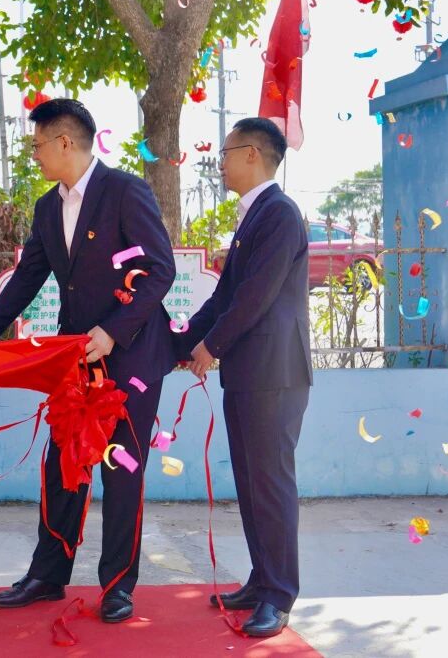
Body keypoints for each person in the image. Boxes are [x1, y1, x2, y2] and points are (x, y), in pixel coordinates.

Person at [0, 99, 176, 623]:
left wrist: (113, 332)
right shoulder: (47, 207)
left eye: (37, 144)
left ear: (64, 142)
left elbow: (160, 270)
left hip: (130, 356)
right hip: (76, 358)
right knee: (62, 464)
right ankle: (47, 575)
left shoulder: (124, 191)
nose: (33, 154)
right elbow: (27, 279)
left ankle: (118, 586)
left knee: (120, 468)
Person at [174, 117, 311, 638]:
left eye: (226, 153)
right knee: (252, 484)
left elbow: (256, 296)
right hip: (249, 372)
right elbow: (224, 297)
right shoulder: (254, 216)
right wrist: (178, 342)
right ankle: (261, 580)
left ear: (252, 154)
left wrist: (210, 347)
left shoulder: (279, 214)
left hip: (274, 372)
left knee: (270, 485)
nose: (221, 164)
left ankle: (279, 595)